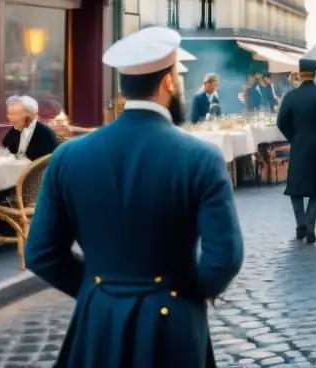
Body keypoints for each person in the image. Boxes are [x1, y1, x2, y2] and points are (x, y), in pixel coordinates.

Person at [25, 27, 243, 368]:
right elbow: (224, 258)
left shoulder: (68, 156)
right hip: (173, 321)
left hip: (98, 318)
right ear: (169, 81)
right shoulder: (200, 157)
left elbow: (40, 253)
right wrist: (189, 293)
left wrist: (98, 289)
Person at [276, 58, 316, 244]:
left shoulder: (290, 97)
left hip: (299, 143)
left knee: (295, 189)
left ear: (300, 73)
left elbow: (281, 122)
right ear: (315, 74)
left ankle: (301, 224)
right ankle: (310, 227)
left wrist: (293, 136)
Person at [2, 95, 60, 161]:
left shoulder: (46, 134)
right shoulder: (14, 131)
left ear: (28, 115)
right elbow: (4, 152)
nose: (9, 117)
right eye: (9, 114)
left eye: (14, 114)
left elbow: (49, 162)